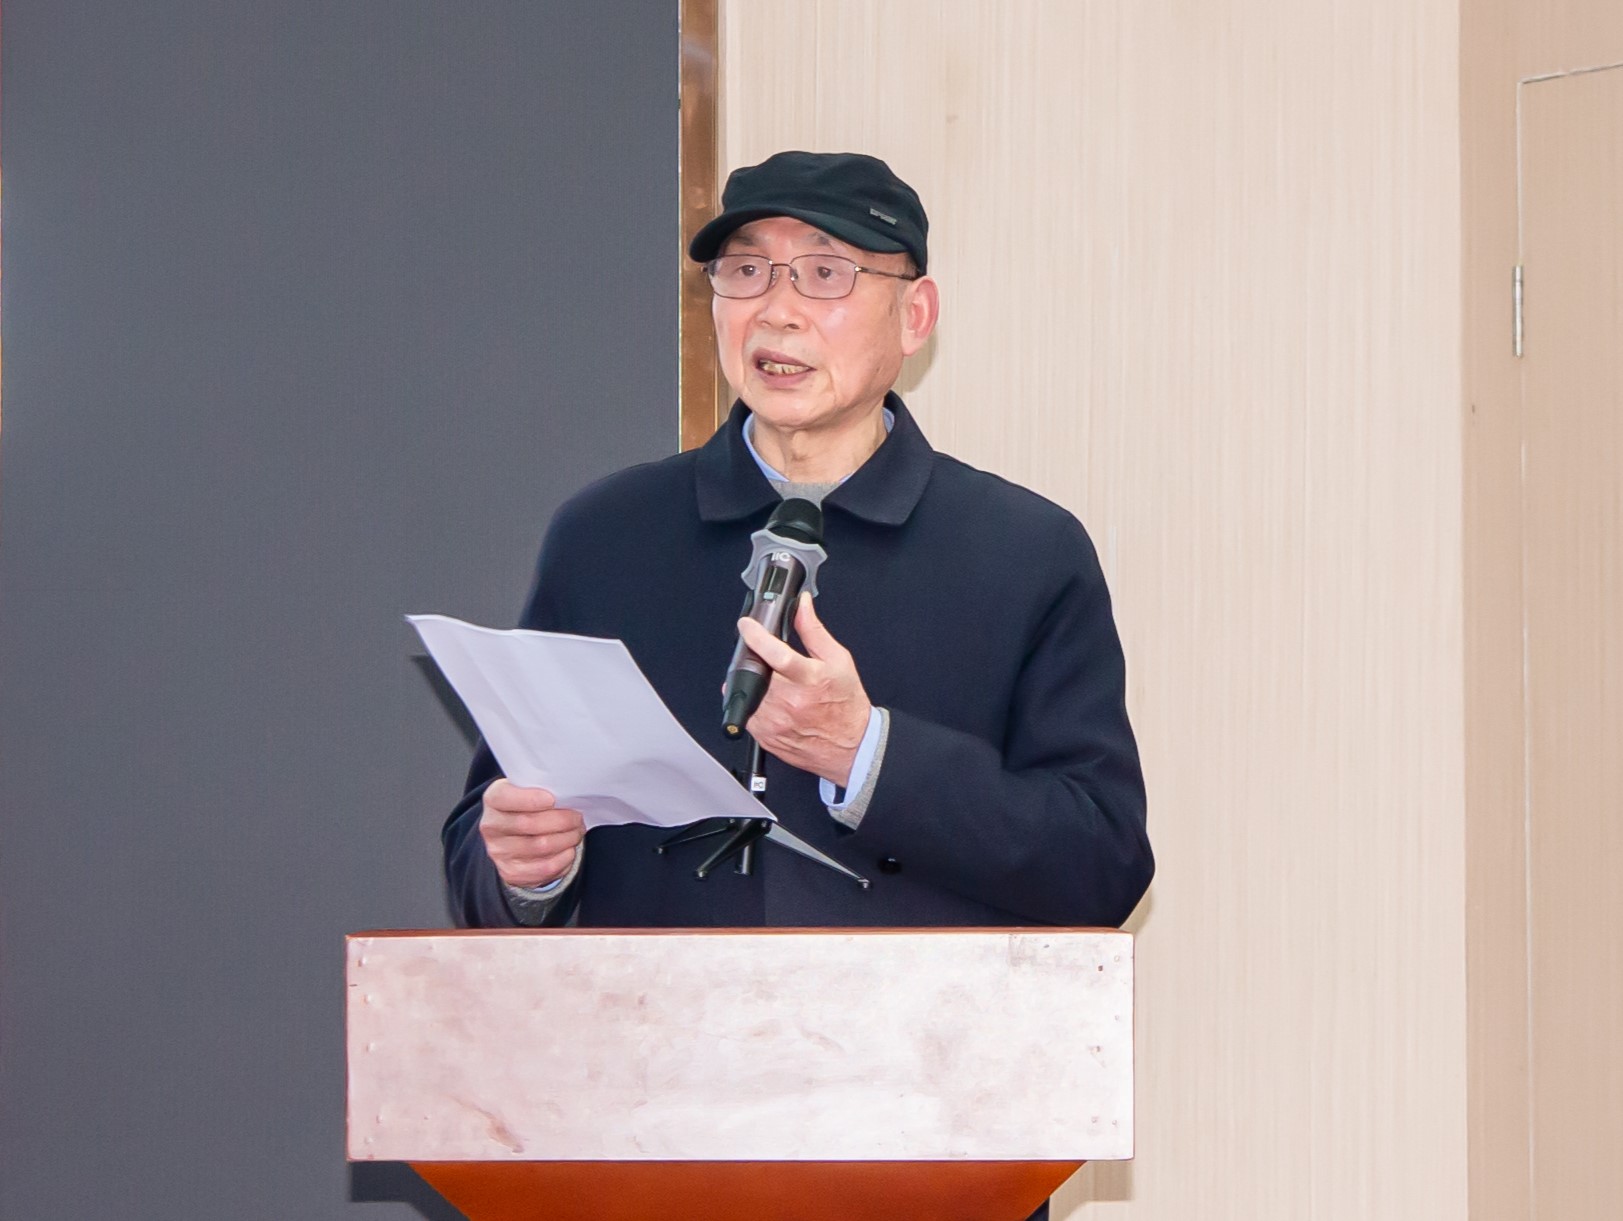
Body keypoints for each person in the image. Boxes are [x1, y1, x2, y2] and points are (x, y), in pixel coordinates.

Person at [442, 149, 1151, 1221]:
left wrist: (870, 756)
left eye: (825, 273)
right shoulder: (606, 537)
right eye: (744, 271)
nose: (775, 309)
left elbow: (1100, 864)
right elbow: (483, 841)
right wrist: (524, 867)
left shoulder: (1024, 554)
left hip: (930, 1138)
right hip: (642, 1135)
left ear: (916, 316)